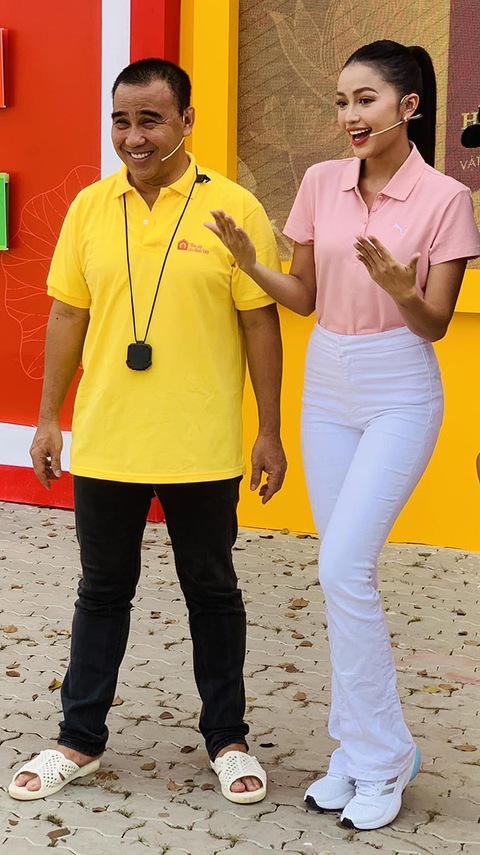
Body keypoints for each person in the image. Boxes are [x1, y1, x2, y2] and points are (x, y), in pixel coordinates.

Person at [206, 40, 480, 830]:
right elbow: (302, 296)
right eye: (341, 102)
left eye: (365, 100)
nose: (349, 116)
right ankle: (358, 751)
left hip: (399, 388)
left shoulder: (445, 199)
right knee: (341, 577)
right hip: (326, 382)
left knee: (342, 565)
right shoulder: (322, 182)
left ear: (408, 107)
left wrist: (400, 286)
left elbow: (433, 323)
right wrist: (251, 263)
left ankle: (384, 755)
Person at [8, 58, 287, 805]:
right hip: (109, 439)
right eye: (122, 120)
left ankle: (227, 739)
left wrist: (269, 430)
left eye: (151, 120)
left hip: (201, 442)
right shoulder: (90, 207)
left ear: (187, 121)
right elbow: (68, 313)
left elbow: (260, 324)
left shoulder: (234, 207)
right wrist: (47, 419)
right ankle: (79, 739)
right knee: (102, 591)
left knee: (213, 590)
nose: (134, 137)